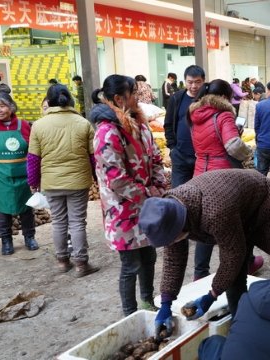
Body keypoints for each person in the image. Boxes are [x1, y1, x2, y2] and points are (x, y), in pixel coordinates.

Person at [139, 170, 270, 330]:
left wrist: (212, 295)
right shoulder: (170, 211)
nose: (172, 243)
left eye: (172, 239)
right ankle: (242, 327)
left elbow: (232, 255)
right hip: (239, 213)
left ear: (180, 225)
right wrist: (166, 303)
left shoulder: (214, 212)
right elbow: (174, 261)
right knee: (234, 281)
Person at [90, 74, 168, 315]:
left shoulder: (140, 124)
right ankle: (130, 313)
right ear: (118, 98)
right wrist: (147, 195)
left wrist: (158, 185)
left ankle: (147, 302)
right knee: (130, 264)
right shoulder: (107, 132)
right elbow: (116, 178)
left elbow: (155, 157)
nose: (138, 96)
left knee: (149, 256)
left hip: (146, 205)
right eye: (133, 92)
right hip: (122, 209)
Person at [189, 79, 259, 280]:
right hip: (223, 176)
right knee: (235, 224)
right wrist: (248, 152)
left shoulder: (195, 115)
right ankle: (239, 269)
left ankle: (200, 273)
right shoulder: (223, 115)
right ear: (224, 97)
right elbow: (233, 146)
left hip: (200, 173)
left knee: (204, 225)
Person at [27, 84, 99, 276]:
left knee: (58, 222)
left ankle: (62, 262)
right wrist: (97, 179)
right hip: (78, 181)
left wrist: (33, 182)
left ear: (48, 101)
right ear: (70, 100)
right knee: (77, 222)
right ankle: (81, 265)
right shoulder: (82, 123)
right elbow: (94, 157)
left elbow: (33, 158)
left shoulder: (39, 125)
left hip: (51, 182)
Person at [0, 93, 38, 255]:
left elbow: (33, 149)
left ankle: (29, 237)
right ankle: (7, 241)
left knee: (27, 208)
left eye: (2, 106)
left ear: (11, 107)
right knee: (2, 211)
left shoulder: (24, 125)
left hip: (24, 175)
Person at [164, 65, 205, 188]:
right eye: (190, 82)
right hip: (180, 155)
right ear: (185, 81)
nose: (193, 86)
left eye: (198, 82)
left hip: (202, 157)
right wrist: (172, 148)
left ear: (203, 81)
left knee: (202, 192)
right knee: (178, 192)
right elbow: (168, 123)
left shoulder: (209, 99)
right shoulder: (177, 98)